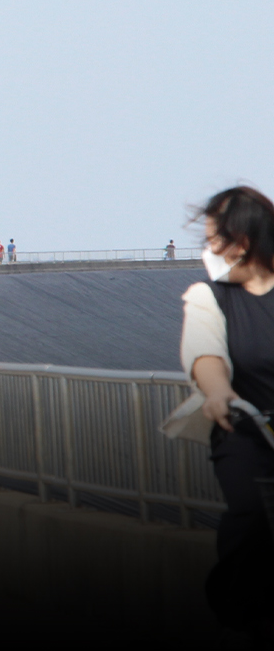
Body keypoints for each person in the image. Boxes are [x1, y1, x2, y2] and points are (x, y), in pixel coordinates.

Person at [170, 186, 274, 635]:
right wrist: (218, 393)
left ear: (242, 241)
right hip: (245, 425)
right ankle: (238, 616)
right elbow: (205, 355)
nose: (208, 248)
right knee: (252, 513)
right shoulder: (209, 297)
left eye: (214, 238)